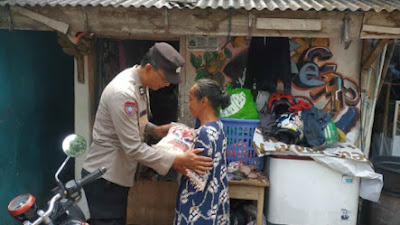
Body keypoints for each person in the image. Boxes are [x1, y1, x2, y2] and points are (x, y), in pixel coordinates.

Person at [81, 43, 213, 225]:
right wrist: (176, 160)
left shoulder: (139, 84)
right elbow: (133, 148)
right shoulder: (124, 92)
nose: (166, 84)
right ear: (149, 68)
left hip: (117, 174)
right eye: (164, 78)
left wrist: (155, 130)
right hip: (106, 176)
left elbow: (135, 122)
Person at [174, 79, 231, 225]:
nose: (189, 104)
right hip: (213, 202)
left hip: (198, 206)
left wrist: (173, 160)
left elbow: (198, 177)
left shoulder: (204, 133)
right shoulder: (219, 127)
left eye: (191, 100)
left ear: (204, 101)